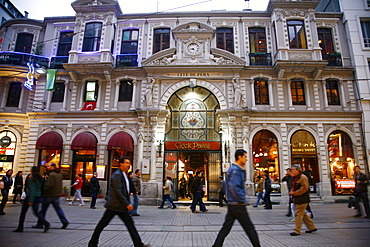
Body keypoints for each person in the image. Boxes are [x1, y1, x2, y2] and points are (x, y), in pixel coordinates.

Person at [88, 156, 147, 247]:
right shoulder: (117, 175)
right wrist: (127, 204)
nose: (128, 165)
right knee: (103, 224)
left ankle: (138, 244)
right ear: (121, 164)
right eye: (126, 163)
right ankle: (92, 243)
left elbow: (124, 190)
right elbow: (118, 191)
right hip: (115, 205)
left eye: (129, 163)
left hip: (119, 206)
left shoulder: (123, 174)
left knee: (129, 225)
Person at [213, 149, 261, 247]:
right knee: (249, 228)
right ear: (239, 157)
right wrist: (242, 200)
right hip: (237, 204)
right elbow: (234, 187)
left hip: (233, 204)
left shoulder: (238, 169)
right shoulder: (235, 170)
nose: (247, 159)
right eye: (245, 156)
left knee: (226, 228)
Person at [13, 166, 50, 233]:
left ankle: (20, 227)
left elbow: (32, 190)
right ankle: (45, 223)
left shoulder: (32, 179)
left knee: (23, 212)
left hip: (30, 197)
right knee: (36, 212)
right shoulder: (40, 179)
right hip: (38, 196)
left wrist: (30, 200)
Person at [32, 163, 69, 229]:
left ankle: (40, 223)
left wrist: (44, 189)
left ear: (53, 167)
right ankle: (64, 221)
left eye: (48, 166)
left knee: (43, 210)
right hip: (56, 194)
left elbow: (49, 185)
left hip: (49, 195)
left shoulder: (52, 175)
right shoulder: (59, 174)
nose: (47, 167)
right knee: (58, 209)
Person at [289, 165, 317, 236]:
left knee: (298, 215)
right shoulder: (296, 178)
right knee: (303, 214)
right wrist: (292, 191)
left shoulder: (302, 177)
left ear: (298, 170)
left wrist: (295, 193)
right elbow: (294, 186)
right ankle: (311, 227)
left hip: (302, 198)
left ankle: (297, 230)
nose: (292, 171)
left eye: (293, 170)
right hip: (298, 198)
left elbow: (304, 188)